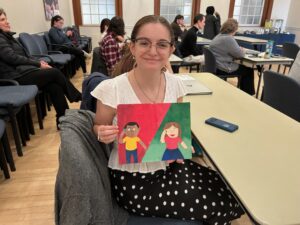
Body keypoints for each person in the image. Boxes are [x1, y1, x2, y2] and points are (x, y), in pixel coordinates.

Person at [92, 15, 244, 224]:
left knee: (227, 189)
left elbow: (172, 129)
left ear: (171, 50)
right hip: (134, 181)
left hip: (167, 166)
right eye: (144, 43)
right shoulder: (112, 89)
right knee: (217, 204)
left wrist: (180, 147)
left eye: (162, 45)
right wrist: (101, 132)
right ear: (132, 47)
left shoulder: (175, 85)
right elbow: (98, 126)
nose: (153, 51)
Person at [0, 8, 81, 127]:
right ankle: (77, 96)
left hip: (22, 72)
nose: (7, 22)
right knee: (54, 72)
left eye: (6, 18)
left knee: (54, 86)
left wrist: (39, 62)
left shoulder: (7, 37)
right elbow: (12, 58)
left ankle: (64, 120)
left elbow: (25, 56)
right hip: (14, 77)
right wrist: (38, 64)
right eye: (2, 20)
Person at [209, 18, 255, 95]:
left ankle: (243, 92)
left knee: (243, 68)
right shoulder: (228, 38)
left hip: (215, 66)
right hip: (223, 67)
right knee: (248, 70)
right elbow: (240, 55)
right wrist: (242, 50)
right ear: (234, 30)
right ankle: (248, 94)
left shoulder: (218, 36)